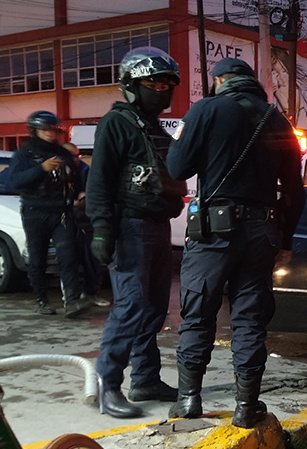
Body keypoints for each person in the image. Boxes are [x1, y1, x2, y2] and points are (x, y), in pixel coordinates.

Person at [165, 58, 305, 429]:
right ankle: (246, 406)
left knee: (198, 312)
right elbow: (293, 190)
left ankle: (189, 399)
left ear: (221, 81)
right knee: (250, 318)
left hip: (214, 231)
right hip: (262, 232)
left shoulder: (205, 110)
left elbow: (177, 168)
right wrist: (286, 239)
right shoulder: (277, 120)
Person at [85, 47, 187, 418]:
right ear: (131, 84)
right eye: (153, 82)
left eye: (167, 83)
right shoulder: (116, 123)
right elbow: (100, 180)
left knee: (154, 308)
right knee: (129, 307)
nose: (162, 88)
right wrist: (101, 229)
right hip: (129, 227)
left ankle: (144, 378)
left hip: (157, 226)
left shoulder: (154, 128)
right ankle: (107, 386)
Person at [8, 111, 85, 317]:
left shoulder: (63, 153)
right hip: (35, 211)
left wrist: (80, 193)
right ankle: (41, 300)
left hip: (62, 211)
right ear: (34, 131)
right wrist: (41, 168)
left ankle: (71, 301)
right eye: (44, 130)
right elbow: (14, 181)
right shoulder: (25, 154)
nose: (50, 134)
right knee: (38, 258)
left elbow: (75, 179)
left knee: (68, 256)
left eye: (53, 129)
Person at [63, 142, 109, 308]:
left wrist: (78, 202)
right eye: (73, 156)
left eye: (78, 155)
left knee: (92, 258)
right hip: (65, 220)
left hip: (85, 221)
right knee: (69, 259)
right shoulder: (57, 169)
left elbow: (88, 197)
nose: (77, 159)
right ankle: (70, 296)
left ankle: (90, 292)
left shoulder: (84, 170)